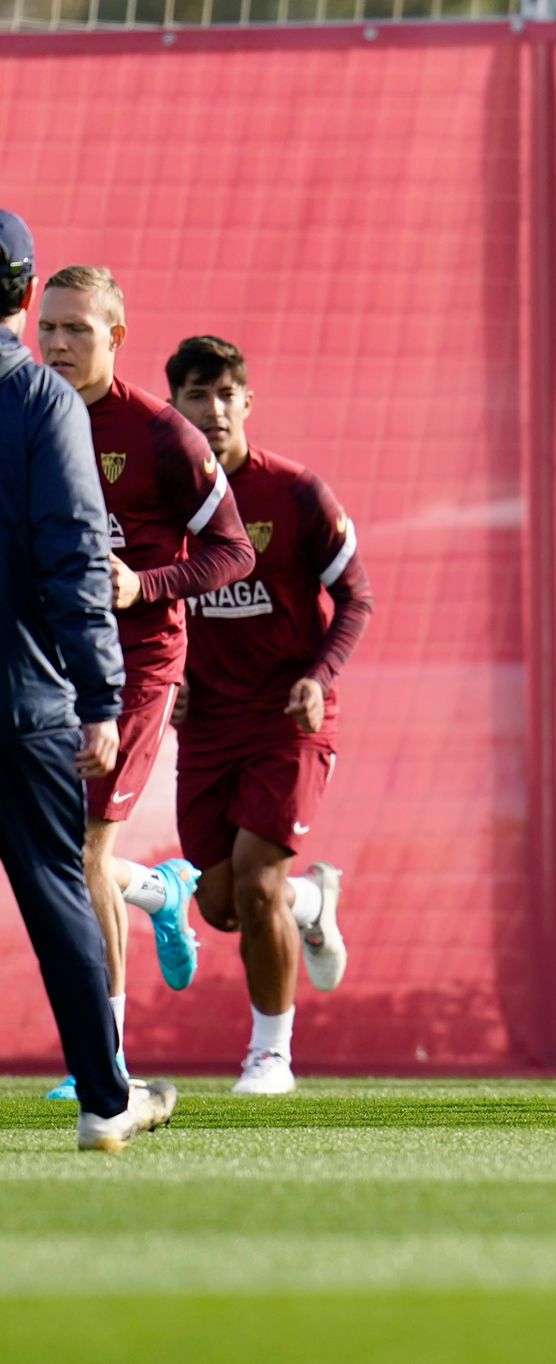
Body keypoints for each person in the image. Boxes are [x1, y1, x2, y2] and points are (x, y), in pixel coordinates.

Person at [38, 265, 255, 1102]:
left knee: (85, 850)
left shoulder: (164, 437)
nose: (57, 344)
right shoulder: (23, 412)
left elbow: (234, 552)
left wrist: (146, 584)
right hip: (49, 662)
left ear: (116, 337)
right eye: (48, 327)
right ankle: (162, 892)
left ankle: (106, 1061)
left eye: (77, 330)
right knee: (54, 849)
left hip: (137, 668)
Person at [0, 210, 176, 1150]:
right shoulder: (40, 400)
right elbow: (74, 557)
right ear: (28, 298)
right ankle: (107, 1101)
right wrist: (102, 698)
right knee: (59, 888)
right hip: (21, 700)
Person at [164, 336, 369, 1095]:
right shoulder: (162, 503)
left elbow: (358, 597)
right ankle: (314, 903)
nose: (213, 411)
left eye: (226, 396)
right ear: (174, 410)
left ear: (248, 403)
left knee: (255, 883)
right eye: (196, 397)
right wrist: (175, 679)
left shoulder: (295, 493)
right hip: (210, 723)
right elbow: (157, 605)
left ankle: (271, 1057)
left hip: (290, 716)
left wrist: (321, 674)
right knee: (220, 904)